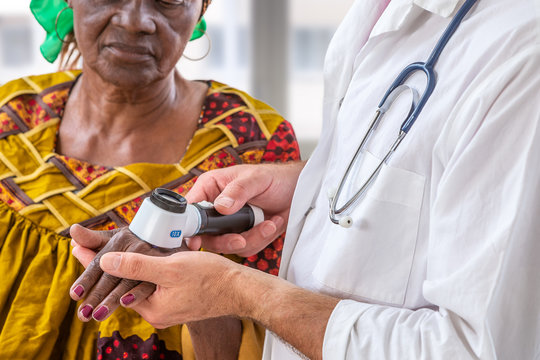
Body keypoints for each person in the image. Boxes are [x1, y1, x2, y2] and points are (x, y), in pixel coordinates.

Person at [71, 0, 540, 359]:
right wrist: (314, 182)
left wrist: (236, 292)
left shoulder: (521, 53)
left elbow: (477, 347)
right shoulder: (377, 15)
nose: (136, 19)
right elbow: (414, 168)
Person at [0, 0, 300, 359]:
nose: (135, 21)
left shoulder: (255, 149)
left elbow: (279, 340)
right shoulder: (9, 119)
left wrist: (197, 281)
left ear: (201, 8)